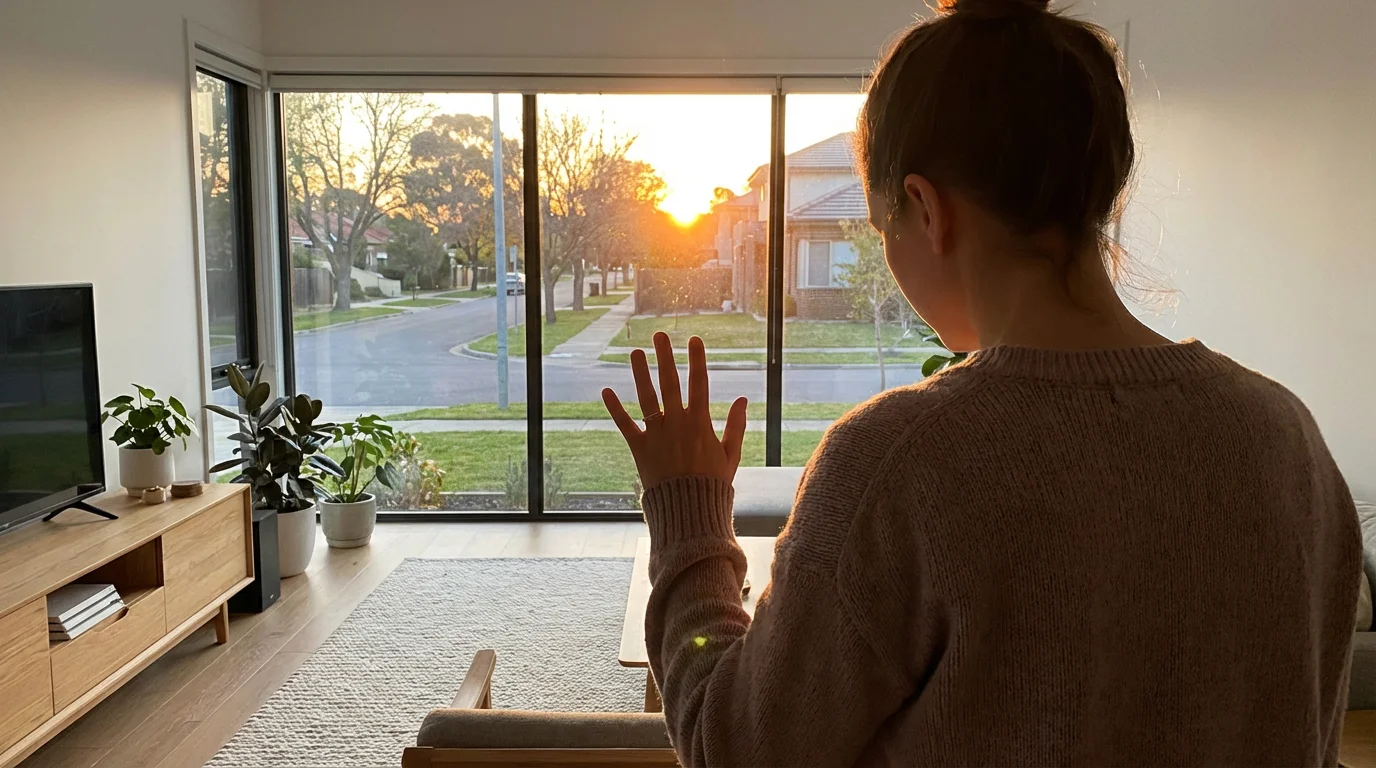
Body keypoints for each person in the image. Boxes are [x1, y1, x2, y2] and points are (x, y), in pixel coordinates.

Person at [601, 0, 1361, 764]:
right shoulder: (1287, 441)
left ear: (926, 210)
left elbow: (734, 749)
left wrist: (689, 517)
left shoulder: (896, 464)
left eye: (883, 227)